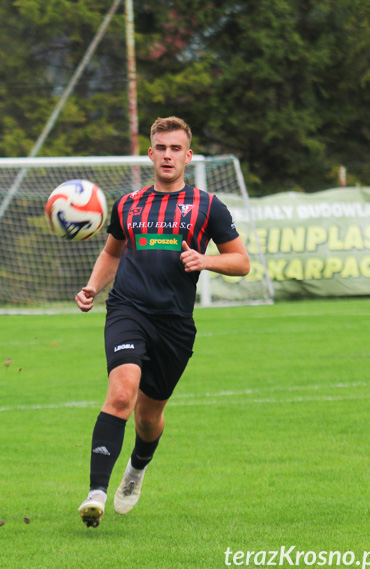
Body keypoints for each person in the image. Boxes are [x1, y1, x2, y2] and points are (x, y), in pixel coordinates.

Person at [75, 117, 250, 528]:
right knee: (121, 395)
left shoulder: (209, 206)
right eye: (161, 147)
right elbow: (112, 253)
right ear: (150, 153)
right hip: (127, 309)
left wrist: (206, 259)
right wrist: (91, 287)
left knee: (149, 417)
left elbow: (241, 261)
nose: (167, 155)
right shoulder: (128, 205)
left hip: (174, 324)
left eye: (176, 149)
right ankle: (96, 493)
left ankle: (136, 469)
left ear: (188, 156)